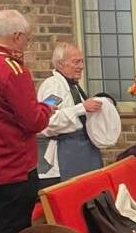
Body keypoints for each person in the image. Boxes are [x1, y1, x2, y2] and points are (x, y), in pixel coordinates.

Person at [0, 10, 54, 233]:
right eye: (28, 39)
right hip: (13, 169)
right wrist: (46, 109)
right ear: (17, 36)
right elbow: (33, 121)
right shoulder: (11, 69)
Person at [37, 41, 107, 181]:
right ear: (60, 64)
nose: (81, 66)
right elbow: (47, 121)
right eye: (76, 62)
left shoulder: (74, 86)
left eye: (82, 61)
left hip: (85, 151)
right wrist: (81, 108)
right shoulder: (54, 86)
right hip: (67, 152)